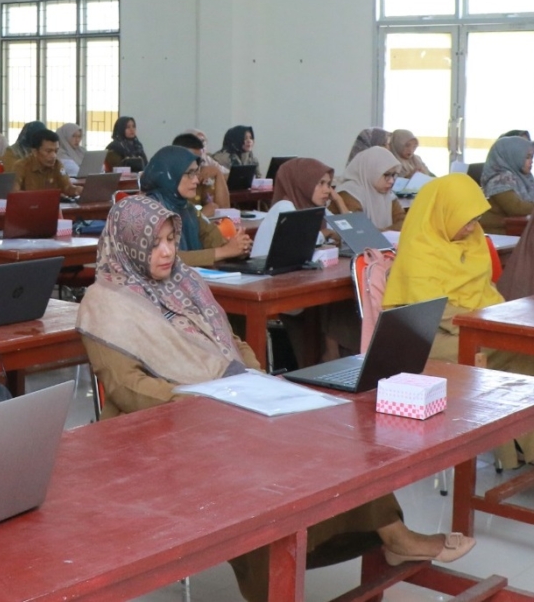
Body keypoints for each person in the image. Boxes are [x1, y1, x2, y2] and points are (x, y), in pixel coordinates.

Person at [78, 194, 476, 602]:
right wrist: (196, 400)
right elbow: (126, 386)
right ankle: (275, 584)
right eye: (155, 244)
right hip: (159, 427)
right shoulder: (105, 303)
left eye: (170, 240)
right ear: (129, 244)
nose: (167, 252)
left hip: (229, 399)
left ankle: (390, 532)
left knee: (328, 437)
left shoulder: (185, 281)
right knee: (248, 475)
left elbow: (230, 342)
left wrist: (251, 377)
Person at [385, 174, 534, 469]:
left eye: (476, 219)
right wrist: (486, 325)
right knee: (506, 351)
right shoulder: (420, 247)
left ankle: (523, 447)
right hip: (427, 337)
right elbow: (432, 311)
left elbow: (486, 291)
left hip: (471, 324)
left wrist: (497, 319)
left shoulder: (473, 238)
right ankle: (513, 446)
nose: (471, 227)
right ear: (443, 213)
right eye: (465, 220)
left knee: (523, 351)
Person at [257, 158, 355, 363]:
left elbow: (350, 233)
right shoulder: (285, 205)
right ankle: (328, 358)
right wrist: (327, 233)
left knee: (344, 300)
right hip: (274, 287)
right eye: (320, 184)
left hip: (304, 282)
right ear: (302, 183)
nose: (327, 190)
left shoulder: (316, 207)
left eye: (329, 184)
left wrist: (339, 203)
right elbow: (302, 241)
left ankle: (339, 359)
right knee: (335, 303)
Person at [141, 145, 249, 267]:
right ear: (170, 175)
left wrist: (239, 246)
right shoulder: (148, 210)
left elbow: (214, 239)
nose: (196, 180)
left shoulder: (188, 208)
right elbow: (165, 257)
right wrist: (224, 252)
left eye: (196, 172)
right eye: (189, 173)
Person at [332, 146, 405, 230]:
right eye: (386, 175)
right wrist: (385, 233)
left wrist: (382, 233)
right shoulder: (349, 193)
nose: (391, 181)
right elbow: (359, 230)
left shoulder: (388, 194)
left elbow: (403, 222)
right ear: (371, 171)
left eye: (393, 175)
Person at [478, 136, 534, 235]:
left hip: (519, 230)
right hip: (499, 233)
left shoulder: (525, 179)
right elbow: (517, 208)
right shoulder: (499, 180)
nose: (531, 161)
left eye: (531, 157)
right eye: (527, 157)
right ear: (513, 156)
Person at [171, 132, 230, 212]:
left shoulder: (202, 176)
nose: (196, 166)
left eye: (199, 161)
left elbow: (225, 211)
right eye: (191, 160)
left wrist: (218, 174)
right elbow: (175, 221)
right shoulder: (168, 183)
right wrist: (202, 215)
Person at [11, 129, 79, 196]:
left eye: (56, 151)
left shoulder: (57, 165)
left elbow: (67, 187)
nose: (53, 156)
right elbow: (14, 193)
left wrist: (78, 190)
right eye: (48, 151)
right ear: (35, 152)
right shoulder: (21, 166)